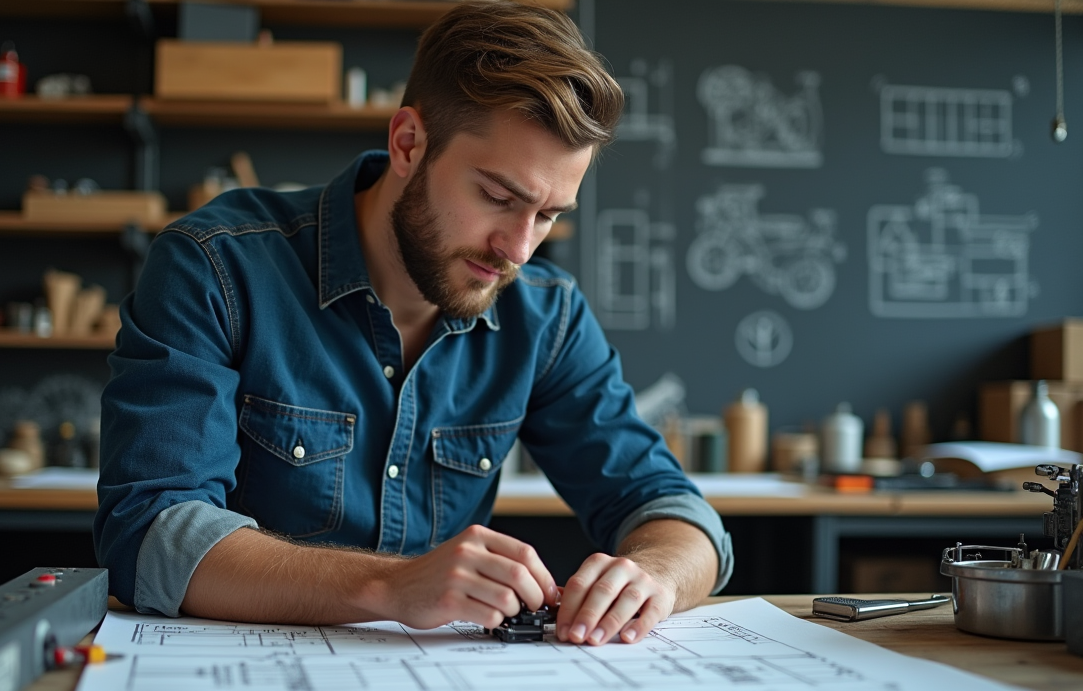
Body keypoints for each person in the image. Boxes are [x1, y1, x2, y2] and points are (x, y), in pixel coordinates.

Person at [95, 0, 733, 646]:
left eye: (547, 216)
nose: (518, 249)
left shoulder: (546, 315)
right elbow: (149, 533)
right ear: (408, 144)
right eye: (498, 197)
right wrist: (391, 586)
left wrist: (654, 574)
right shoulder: (216, 267)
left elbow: (675, 511)